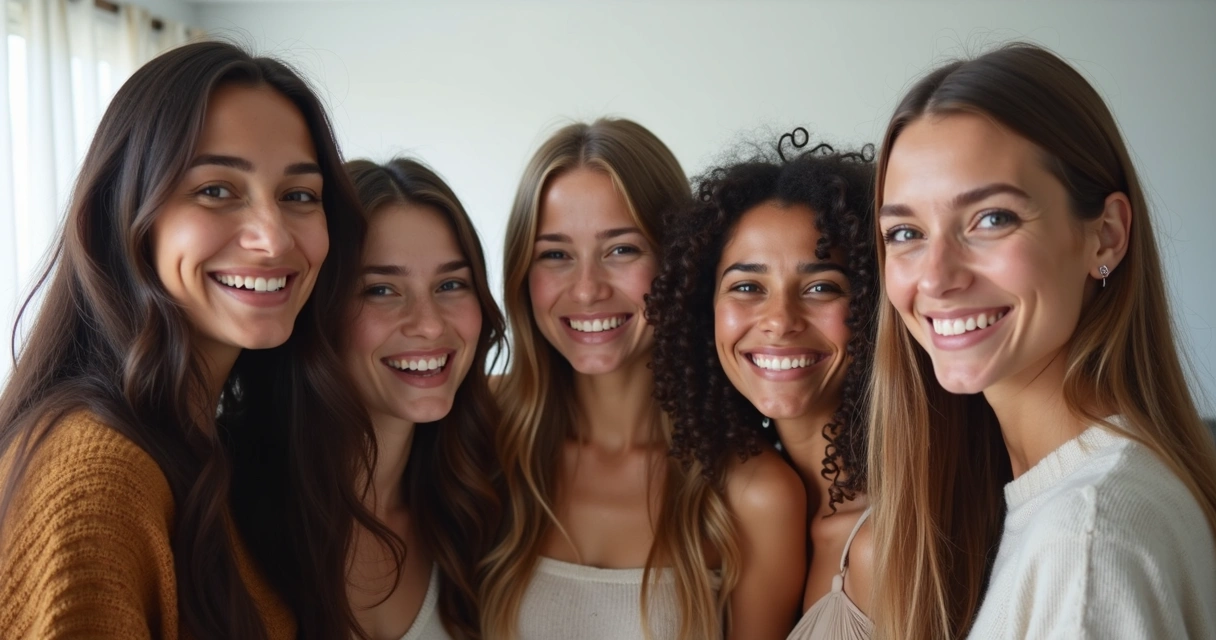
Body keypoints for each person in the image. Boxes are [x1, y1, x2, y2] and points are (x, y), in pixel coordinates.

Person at [0, 41, 384, 639]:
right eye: (216, 190)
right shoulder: (98, 478)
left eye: (299, 196)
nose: (273, 238)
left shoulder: (216, 447)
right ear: (124, 214)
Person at [870, 42, 1216, 639]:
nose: (936, 278)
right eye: (906, 232)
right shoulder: (1079, 497)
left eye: (992, 218)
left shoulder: (1087, 540)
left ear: (1106, 236)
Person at [480, 118, 806, 640]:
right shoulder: (478, 433)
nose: (587, 290)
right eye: (555, 255)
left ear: (676, 263)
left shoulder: (755, 494)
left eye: (621, 250)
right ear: (522, 273)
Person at [648, 131, 878, 640]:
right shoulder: (749, 500)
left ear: (871, 304)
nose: (779, 320)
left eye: (821, 287)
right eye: (748, 286)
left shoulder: (893, 531)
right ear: (703, 311)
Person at [342, 158, 504, 640]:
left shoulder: (475, 506)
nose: (430, 325)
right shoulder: (227, 508)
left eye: (450, 285)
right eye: (382, 290)